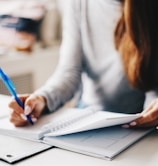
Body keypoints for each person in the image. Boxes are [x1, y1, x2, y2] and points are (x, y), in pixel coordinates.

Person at [9, 0, 158, 128]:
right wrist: (42, 98)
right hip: (88, 119)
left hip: (139, 126)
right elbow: (69, 72)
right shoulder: (79, 3)